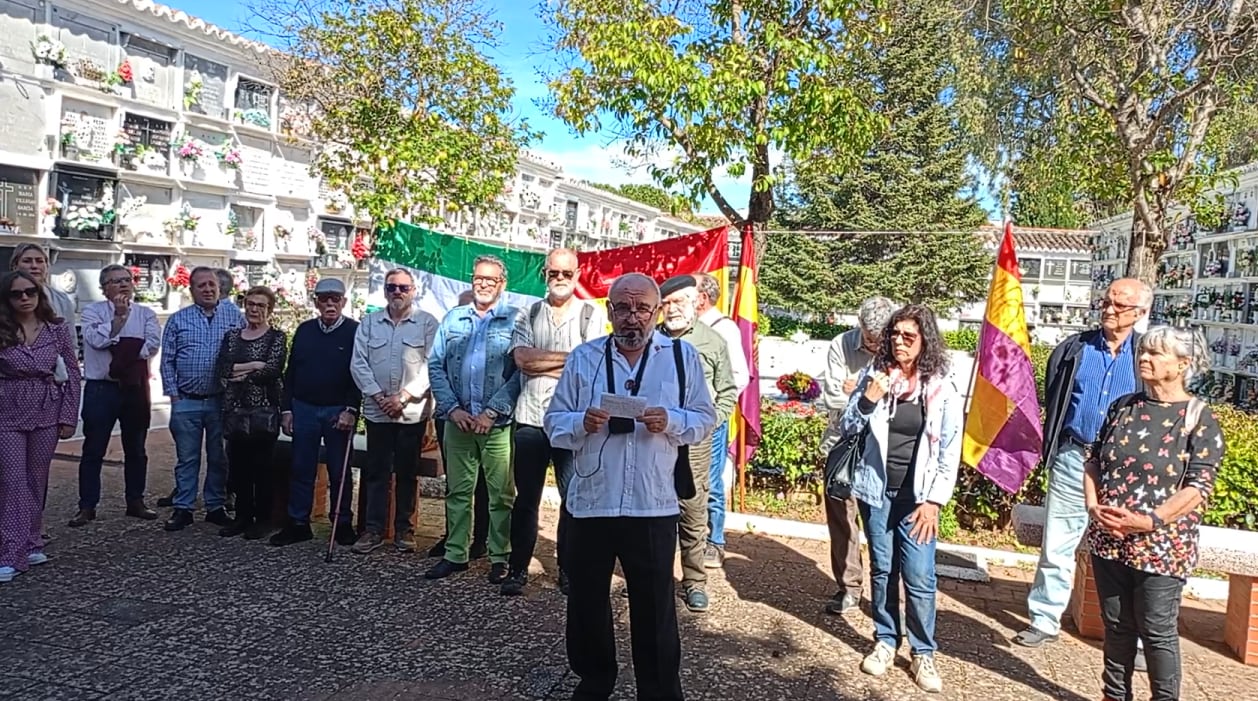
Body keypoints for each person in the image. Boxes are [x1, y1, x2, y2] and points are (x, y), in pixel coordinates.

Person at [545, 272, 717, 701]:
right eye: (623, 307)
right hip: (592, 502)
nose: (632, 318)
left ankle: (658, 690)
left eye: (642, 308)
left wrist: (672, 421)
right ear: (609, 311)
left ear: (656, 312)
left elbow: (705, 418)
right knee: (586, 601)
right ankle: (593, 680)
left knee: (655, 606)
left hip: (652, 504)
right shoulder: (584, 359)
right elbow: (553, 423)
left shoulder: (682, 358)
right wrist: (579, 423)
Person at [1083, 326, 1223, 701]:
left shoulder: (1198, 418)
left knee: (1157, 629)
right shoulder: (1123, 406)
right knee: (1116, 625)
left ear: (1182, 365)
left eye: (1156, 354)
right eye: (1142, 351)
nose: (1144, 358)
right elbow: (1093, 462)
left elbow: (1198, 487)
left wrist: (1149, 521)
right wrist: (1094, 507)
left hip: (1162, 545)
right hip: (1110, 540)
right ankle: (1114, 695)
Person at [1014, 278, 1152, 650]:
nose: (1109, 309)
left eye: (1119, 305)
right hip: (1074, 456)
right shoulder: (1073, 349)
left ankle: (1129, 636)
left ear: (1140, 313)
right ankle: (1044, 619)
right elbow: (1056, 400)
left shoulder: (1148, 356)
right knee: (1057, 542)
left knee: (1127, 550)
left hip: (1126, 469)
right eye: (1105, 302)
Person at [842, 303, 961, 694]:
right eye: (894, 335)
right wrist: (867, 400)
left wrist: (934, 502)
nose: (899, 342)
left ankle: (923, 650)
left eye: (909, 336)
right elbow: (847, 426)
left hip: (919, 499)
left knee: (920, 577)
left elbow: (949, 449)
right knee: (882, 569)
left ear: (925, 340)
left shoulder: (941, 385)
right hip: (877, 492)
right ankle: (885, 640)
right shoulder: (875, 377)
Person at [501, 249, 607, 596]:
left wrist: (541, 361)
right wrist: (570, 361)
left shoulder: (591, 313)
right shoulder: (528, 312)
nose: (560, 279)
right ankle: (518, 569)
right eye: (553, 273)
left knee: (571, 499)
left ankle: (568, 569)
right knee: (525, 499)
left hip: (573, 422)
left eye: (566, 272)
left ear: (577, 274)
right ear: (545, 274)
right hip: (531, 419)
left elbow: (592, 366)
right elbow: (521, 360)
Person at [426, 255, 521, 581]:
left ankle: (499, 557)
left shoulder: (515, 321)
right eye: (478, 278)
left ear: (502, 284)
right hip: (459, 421)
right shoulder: (453, 319)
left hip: (496, 425)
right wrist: (452, 408)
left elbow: (520, 371)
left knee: (500, 494)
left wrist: (492, 411)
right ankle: (456, 554)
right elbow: (435, 365)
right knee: (457, 492)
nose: (483, 284)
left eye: (490, 280)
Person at [657, 275, 736, 613]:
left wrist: (709, 423)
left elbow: (728, 391)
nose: (673, 309)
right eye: (667, 303)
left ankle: (694, 582)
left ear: (695, 303)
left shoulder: (712, 341)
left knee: (692, 509)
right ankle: (653, 578)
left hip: (695, 442)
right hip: (656, 439)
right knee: (655, 511)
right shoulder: (650, 338)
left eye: (680, 302)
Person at [818, 296, 899, 614]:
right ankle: (849, 586)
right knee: (843, 521)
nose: (874, 345)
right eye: (869, 338)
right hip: (843, 445)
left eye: (880, 340)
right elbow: (832, 396)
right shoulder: (841, 344)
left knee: (882, 524)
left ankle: (887, 596)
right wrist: (867, 393)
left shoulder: (901, 348)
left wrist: (859, 390)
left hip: (883, 451)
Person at [350, 268, 438, 554]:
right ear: (384, 291)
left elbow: (431, 365)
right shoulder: (370, 323)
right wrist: (379, 396)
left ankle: (404, 530)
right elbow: (358, 363)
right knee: (376, 472)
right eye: (391, 288)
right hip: (378, 413)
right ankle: (373, 530)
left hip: (410, 413)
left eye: (403, 287)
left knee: (406, 473)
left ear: (413, 290)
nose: (397, 292)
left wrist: (403, 396)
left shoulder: (426, 323)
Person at [0, 271, 80, 583]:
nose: (24, 298)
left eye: (29, 292)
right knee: (12, 482)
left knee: (36, 480)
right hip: (7, 409)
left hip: (47, 408)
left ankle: (31, 540)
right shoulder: (3, 328)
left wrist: (69, 415)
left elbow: (72, 370)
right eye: (16, 293)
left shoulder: (56, 328)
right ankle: (10, 552)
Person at [69, 264, 161, 527]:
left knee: (136, 447)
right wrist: (119, 321)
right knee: (93, 448)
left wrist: (119, 346)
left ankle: (135, 500)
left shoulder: (145, 313)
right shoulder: (91, 312)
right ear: (104, 287)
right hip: (102, 388)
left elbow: (151, 345)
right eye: (115, 281)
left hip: (134, 387)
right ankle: (87, 506)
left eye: (126, 280)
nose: (122, 285)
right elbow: (95, 341)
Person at [272, 278, 361, 547]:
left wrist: (351, 409)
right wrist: (287, 409)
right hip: (305, 407)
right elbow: (292, 372)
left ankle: (342, 522)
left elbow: (360, 374)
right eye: (324, 299)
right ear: (316, 302)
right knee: (301, 468)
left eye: (336, 298)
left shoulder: (356, 331)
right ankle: (298, 522)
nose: (330, 304)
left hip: (337, 410)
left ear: (344, 302)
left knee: (340, 470)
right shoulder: (305, 330)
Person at [159, 266, 245, 531]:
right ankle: (183, 507)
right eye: (201, 286)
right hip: (186, 400)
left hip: (220, 400)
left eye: (211, 285)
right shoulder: (178, 319)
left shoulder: (234, 316)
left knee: (219, 457)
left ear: (219, 288)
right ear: (191, 289)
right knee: (187, 458)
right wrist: (173, 396)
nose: (207, 290)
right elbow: (167, 360)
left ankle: (215, 506)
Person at [215, 287, 287, 540]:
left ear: (269, 310)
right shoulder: (233, 337)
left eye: (261, 305)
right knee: (238, 467)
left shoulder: (276, 337)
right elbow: (223, 368)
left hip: (263, 411)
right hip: (235, 410)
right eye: (251, 304)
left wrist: (243, 372)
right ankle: (242, 517)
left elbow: (272, 370)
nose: (255, 309)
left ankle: (263, 519)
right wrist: (254, 365)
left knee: (262, 468)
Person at [692, 272, 748, 569]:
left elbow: (739, 376)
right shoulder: (684, 328)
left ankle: (715, 541)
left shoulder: (724, 329)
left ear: (701, 299)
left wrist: (716, 412)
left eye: (690, 293)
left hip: (711, 419)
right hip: (685, 420)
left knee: (711, 480)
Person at [429, 290, 490, 560]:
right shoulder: (451, 331)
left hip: (485, 419)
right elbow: (436, 368)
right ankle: (453, 537)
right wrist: (452, 409)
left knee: (486, 486)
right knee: (456, 484)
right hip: (450, 417)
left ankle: (482, 539)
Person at [10, 244, 76, 350]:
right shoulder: (4, 296)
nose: (34, 266)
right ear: (15, 266)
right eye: (27, 261)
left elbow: (71, 340)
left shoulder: (62, 300)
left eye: (39, 261)